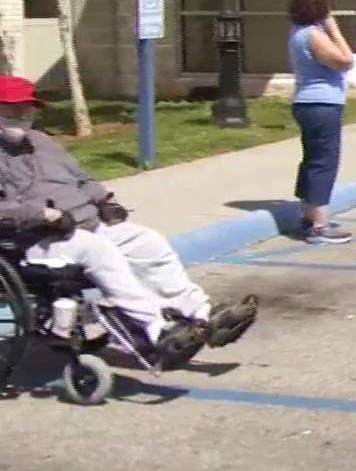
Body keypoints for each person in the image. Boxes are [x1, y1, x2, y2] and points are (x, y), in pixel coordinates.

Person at [0, 77, 258, 364]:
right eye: (13, 111)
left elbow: (81, 178)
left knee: (147, 241)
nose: (23, 118)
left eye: (28, 111)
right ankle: (157, 330)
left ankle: (203, 313)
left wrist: (103, 199)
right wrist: (42, 214)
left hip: (85, 225)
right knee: (99, 251)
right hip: (34, 240)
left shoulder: (43, 142)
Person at [289, 0, 355, 244]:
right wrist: (334, 28)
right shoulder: (314, 35)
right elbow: (345, 61)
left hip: (307, 102)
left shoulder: (297, 31)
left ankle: (308, 214)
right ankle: (318, 224)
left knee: (312, 159)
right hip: (322, 105)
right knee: (324, 162)